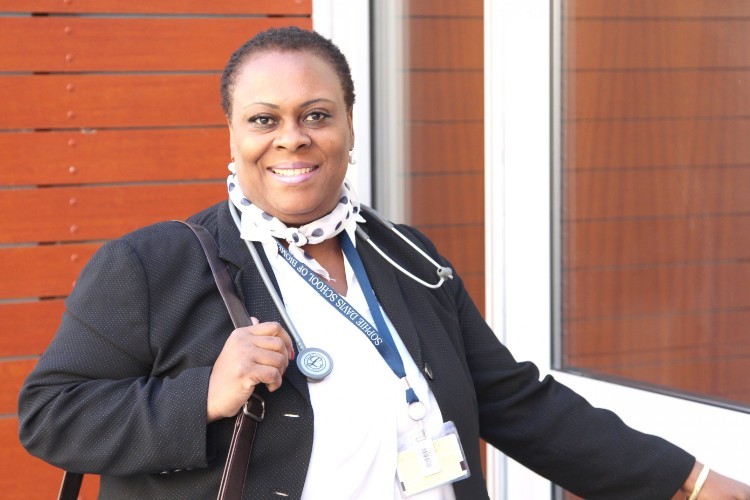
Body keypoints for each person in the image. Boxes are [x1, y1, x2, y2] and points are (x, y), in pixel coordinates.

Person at [17, 26, 750, 500]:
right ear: (233, 136)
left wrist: (688, 481)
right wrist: (202, 394)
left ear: (347, 126)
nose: (292, 138)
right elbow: (50, 416)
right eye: (264, 119)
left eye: (317, 114)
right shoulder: (153, 265)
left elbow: (516, 404)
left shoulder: (407, 257)